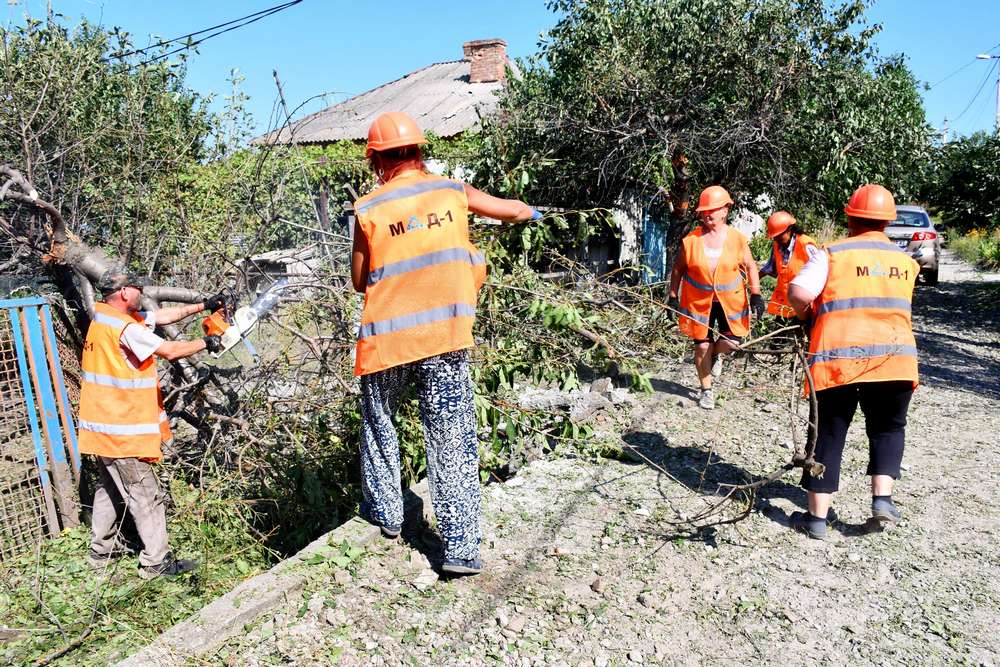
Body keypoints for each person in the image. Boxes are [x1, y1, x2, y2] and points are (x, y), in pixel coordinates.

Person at [351, 112, 541, 576]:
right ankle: (460, 548)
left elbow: (359, 281)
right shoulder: (452, 191)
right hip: (444, 336)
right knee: (451, 436)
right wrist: (534, 213)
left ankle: (389, 516)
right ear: (419, 151)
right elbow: (511, 209)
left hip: (387, 343)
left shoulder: (369, 208)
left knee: (380, 423)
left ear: (377, 160)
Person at [787, 184, 918, 540]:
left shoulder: (832, 254)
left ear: (849, 217)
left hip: (838, 360)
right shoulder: (906, 262)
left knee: (829, 432)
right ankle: (883, 499)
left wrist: (804, 316)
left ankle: (816, 520)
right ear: (888, 221)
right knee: (888, 428)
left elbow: (798, 292)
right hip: (895, 359)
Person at [78, 269, 227, 578]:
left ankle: (99, 555)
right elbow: (170, 350)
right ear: (123, 293)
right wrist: (207, 342)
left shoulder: (106, 318)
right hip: (122, 430)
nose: (140, 293)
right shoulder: (123, 328)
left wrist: (206, 305)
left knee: (110, 488)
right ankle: (155, 563)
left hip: (102, 428)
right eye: (136, 288)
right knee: (145, 493)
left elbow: (160, 317)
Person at [668, 185, 764, 410]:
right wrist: (673, 297)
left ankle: (716, 356)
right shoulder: (690, 241)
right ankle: (706, 390)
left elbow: (750, 267)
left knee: (731, 343)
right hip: (698, 303)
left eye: (713, 209)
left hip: (730, 302)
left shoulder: (737, 239)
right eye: (704, 210)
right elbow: (677, 269)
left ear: (725, 210)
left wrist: (756, 294)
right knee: (702, 347)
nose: (708, 214)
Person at [758, 211, 819, 320]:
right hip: (783, 307)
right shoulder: (777, 245)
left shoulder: (806, 245)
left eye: (778, 236)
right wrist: (752, 280)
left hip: (803, 306)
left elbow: (820, 273)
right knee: (779, 336)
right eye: (774, 237)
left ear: (789, 230)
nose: (775, 239)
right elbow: (770, 268)